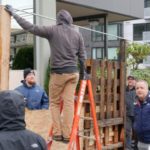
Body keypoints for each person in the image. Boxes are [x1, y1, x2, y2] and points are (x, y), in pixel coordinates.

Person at [5, 5, 87, 143]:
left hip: (59, 74)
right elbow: (82, 56)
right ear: (70, 20)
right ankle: (67, 135)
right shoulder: (77, 34)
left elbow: (30, 27)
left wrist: (14, 14)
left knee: (54, 103)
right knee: (68, 104)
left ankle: (58, 134)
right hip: (73, 74)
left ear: (58, 20)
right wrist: (84, 73)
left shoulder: (53, 30)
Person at [133, 80, 150, 150]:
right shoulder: (136, 103)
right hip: (140, 141)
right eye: (137, 88)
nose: (139, 90)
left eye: (142, 88)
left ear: (147, 89)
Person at [125, 75, 137, 150]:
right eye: (129, 79)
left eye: (132, 80)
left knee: (137, 131)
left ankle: (136, 146)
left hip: (137, 114)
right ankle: (128, 147)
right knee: (127, 131)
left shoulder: (138, 89)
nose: (130, 81)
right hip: (127, 114)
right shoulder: (124, 89)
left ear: (135, 81)